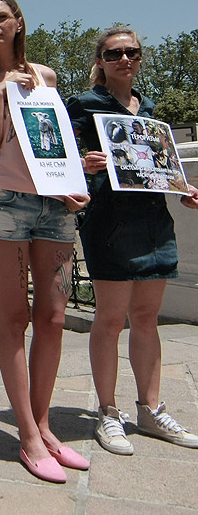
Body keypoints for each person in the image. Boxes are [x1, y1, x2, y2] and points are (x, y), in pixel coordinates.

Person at [0, 0, 90, 484]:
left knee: (54, 316)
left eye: (2, 17)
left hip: (53, 202)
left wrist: (74, 182)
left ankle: (44, 425)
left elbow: (54, 139)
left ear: (18, 23)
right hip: (4, 202)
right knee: (14, 316)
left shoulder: (46, 76)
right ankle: (28, 436)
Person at [67, 26, 198, 456]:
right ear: (101, 60)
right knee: (109, 319)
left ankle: (151, 408)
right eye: (115, 53)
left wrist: (183, 188)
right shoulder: (84, 105)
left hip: (154, 222)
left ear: (141, 58)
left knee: (147, 318)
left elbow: (160, 167)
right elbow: (56, 156)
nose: (125, 59)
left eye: (132, 52)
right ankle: (108, 412)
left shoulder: (152, 109)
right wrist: (84, 165)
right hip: (108, 222)